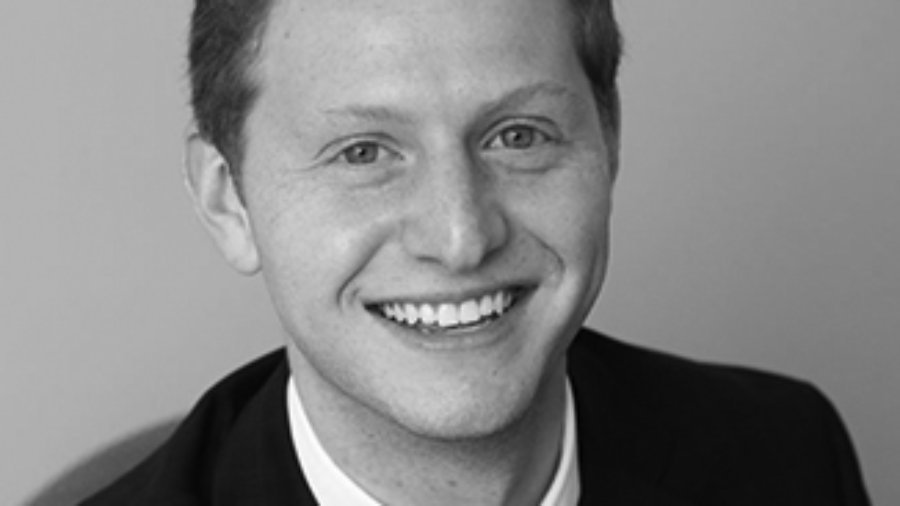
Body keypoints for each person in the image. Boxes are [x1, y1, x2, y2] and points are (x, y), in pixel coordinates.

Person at [83, 0, 870, 504]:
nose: (461, 239)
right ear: (228, 199)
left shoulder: (787, 458)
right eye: (363, 153)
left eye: (518, 136)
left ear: (608, 141)